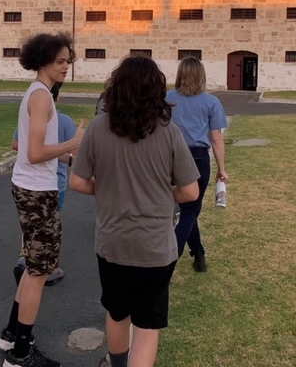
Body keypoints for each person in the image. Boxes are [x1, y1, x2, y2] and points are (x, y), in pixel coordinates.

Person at [69, 56, 199, 367]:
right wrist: (159, 192)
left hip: (112, 243)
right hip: (154, 246)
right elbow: (190, 191)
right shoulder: (169, 132)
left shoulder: (99, 128)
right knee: (146, 325)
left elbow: (77, 181)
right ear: (156, 90)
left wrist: (112, 188)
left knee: (117, 313)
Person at [0, 32, 84, 367]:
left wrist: (71, 158)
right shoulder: (42, 98)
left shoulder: (39, 94)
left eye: (68, 61)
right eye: (61, 61)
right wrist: (74, 140)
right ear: (43, 60)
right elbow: (34, 153)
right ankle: (20, 355)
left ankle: (9, 335)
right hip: (37, 193)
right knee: (38, 272)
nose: (66, 67)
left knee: (33, 267)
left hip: (30, 188)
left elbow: (40, 150)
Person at [166, 57, 228, 273]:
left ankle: (198, 253)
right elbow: (216, 138)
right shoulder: (210, 102)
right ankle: (170, 258)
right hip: (197, 157)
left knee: (187, 209)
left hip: (171, 157)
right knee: (190, 211)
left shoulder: (168, 98)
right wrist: (221, 169)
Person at [11, 81, 75, 286]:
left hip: (34, 183)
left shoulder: (35, 104)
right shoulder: (59, 116)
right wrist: (72, 146)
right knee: (48, 234)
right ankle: (49, 267)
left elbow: (17, 144)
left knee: (32, 228)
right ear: (57, 98)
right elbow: (36, 153)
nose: (66, 66)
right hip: (48, 184)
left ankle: (27, 257)